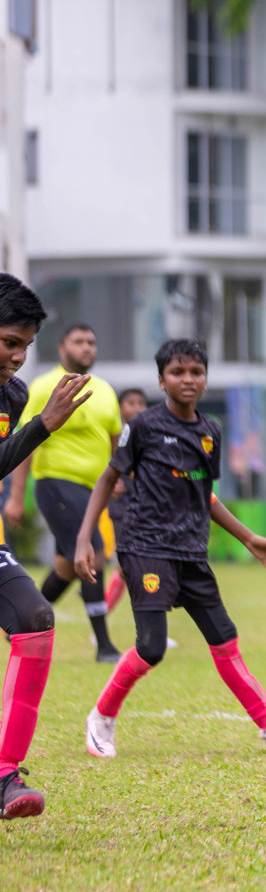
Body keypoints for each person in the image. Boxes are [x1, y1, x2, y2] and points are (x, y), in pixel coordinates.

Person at [76, 339, 266, 759]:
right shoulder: (145, 426)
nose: (187, 380)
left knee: (224, 639)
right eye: (177, 372)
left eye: (196, 372)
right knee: (151, 648)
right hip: (146, 547)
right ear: (161, 380)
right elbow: (106, 479)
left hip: (191, 552)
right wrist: (84, 538)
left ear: (205, 379)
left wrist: (248, 536)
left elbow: (205, 496)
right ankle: (101, 718)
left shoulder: (211, 432)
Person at [0, 274, 96, 819]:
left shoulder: (12, 395)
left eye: (26, 347)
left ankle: (4, 775)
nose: (18, 357)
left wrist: (36, 424)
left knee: (36, 617)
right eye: (9, 342)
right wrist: (44, 427)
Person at [4, 323, 123, 663]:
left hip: (93, 490)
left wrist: (117, 478)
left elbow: (115, 440)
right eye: (79, 341)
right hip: (56, 483)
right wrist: (15, 495)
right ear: (62, 348)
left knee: (68, 567)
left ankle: (20, 623)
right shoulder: (43, 387)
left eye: (92, 342)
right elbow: (22, 442)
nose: (87, 347)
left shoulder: (105, 390)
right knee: (93, 554)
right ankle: (104, 646)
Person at [102, 388, 149, 615]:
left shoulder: (149, 436)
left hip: (144, 508)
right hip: (121, 509)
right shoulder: (114, 435)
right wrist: (112, 484)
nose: (138, 407)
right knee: (132, 566)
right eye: (131, 403)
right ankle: (100, 618)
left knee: (136, 567)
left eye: (141, 403)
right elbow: (105, 466)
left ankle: (100, 614)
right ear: (120, 408)